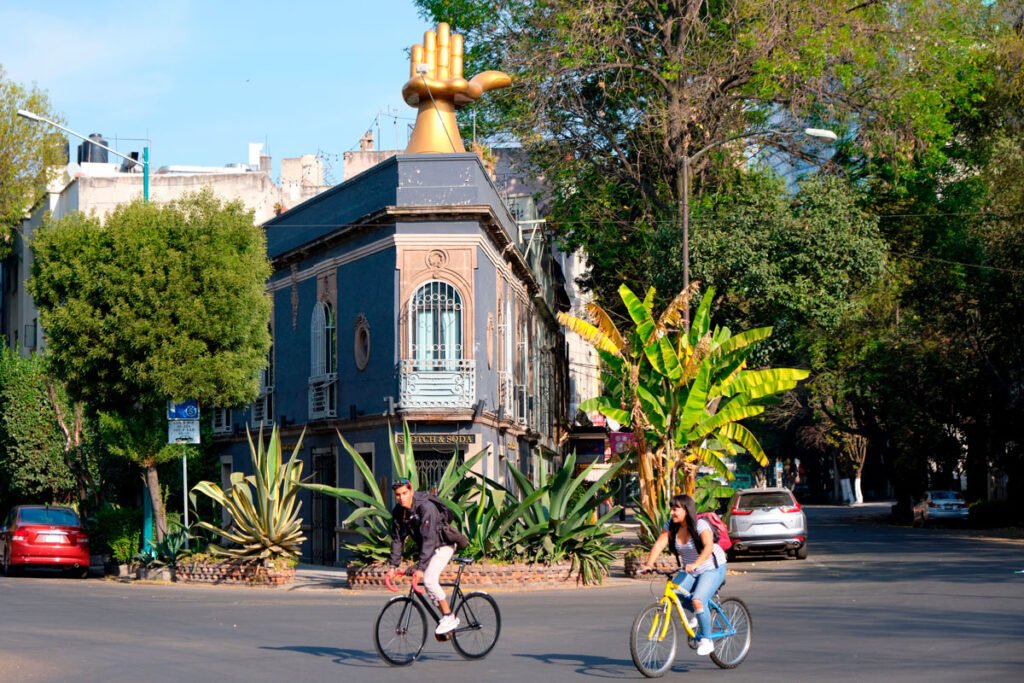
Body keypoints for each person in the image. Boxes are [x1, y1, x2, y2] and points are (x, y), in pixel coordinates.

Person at [640, 493, 728, 657]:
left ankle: (707, 640)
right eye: (671, 509)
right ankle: (701, 612)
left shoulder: (700, 525)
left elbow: (708, 547)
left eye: (676, 509)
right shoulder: (671, 526)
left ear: (686, 510)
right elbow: (659, 544)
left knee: (697, 600)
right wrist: (649, 564)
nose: (672, 512)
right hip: (691, 570)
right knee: (676, 594)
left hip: (712, 567)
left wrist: (696, 564)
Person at [385, 477, 460, 635]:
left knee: (428, 579)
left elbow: (429, 540)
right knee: (427, 582)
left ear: (411, 491)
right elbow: (398, 539)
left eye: (405, 493)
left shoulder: (426, 507)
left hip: (443, 545)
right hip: (429, 548)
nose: (402, 497)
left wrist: (421, 568)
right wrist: (392, 567)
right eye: (398, 495)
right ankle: (446, 623)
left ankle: (449, 617)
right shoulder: (399, 512)